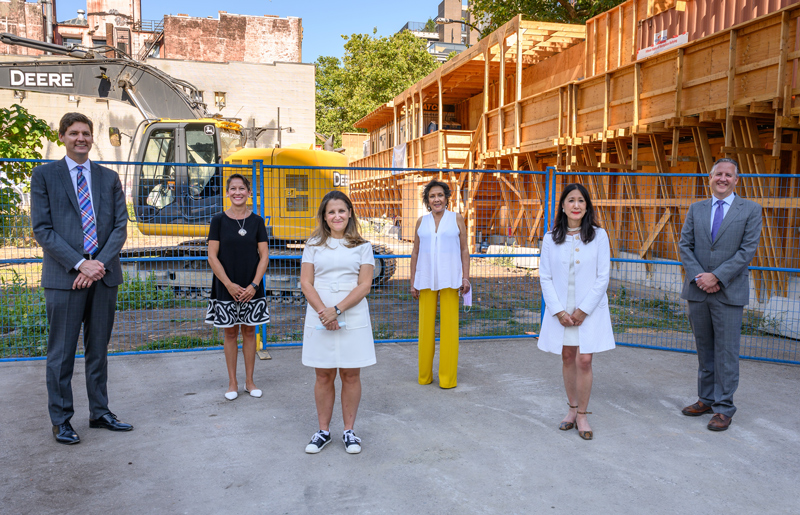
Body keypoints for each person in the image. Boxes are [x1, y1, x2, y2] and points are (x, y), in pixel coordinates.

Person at [31, 112, 131, 444]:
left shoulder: (108, 177)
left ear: (92, 137)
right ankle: (61, 420)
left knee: (98, 350)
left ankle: (100, 412)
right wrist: (79, 263)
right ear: (62, 137)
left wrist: (97, 264)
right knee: (61, 353)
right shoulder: (45, 175)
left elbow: (120, 227)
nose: (81, 138)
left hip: (103, 277)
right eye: (74, 133)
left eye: (86, 133)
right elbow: (42, 229)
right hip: (65, 278)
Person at [678, 158, 762, 431]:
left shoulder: (750, 210)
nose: (723, 179)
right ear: (710, 178)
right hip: (698, 290)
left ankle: (724, 408)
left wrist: (717, 277)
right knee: (705, 350)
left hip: (729, 291)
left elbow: (746, 251)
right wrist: (700, 277)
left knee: (726, 352)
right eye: (718, 174)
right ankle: (706, 399)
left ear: (736, 180)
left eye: (728, 175)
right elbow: (685, 246)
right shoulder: (696, 209)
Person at [300, 191, 375, 454]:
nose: (337, 216)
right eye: (331, 212)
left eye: (341, 211)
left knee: (351, 374)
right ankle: (323, 432)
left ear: (350, 213)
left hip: (351, 314)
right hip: (319, 313)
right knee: (323, 374)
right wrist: (324, 311)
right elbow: (306, 282)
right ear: (324, 216)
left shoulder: (363, 247)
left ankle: (349, 431)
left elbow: (364, 285)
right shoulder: (313, 245)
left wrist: (337, 310)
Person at [537, 183, 615, 441]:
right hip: (561, 309)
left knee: (585, 359)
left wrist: (583, 310)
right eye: (571, 200)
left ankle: (582, 414)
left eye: (581, 200)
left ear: (587, 206)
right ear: (562, 206)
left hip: (588, 310)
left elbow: (603, 276)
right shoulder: (550, 238)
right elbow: (545, 277)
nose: (576, 205)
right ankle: (571, 410)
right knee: (568, 356)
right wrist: (559, 311)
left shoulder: (599, 236)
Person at [206, 174, 270, 401]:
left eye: (241, 188)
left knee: (250, 331)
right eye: (233, 188)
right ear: (227, 193)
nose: (237, 192)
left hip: (251, 286)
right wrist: (228, 284)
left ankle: (249, 382)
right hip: (226, 286)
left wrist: (254, 284)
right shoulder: (218, 221)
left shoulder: (257, 222)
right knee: (230, 332)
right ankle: (232, 382)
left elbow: (264, 256)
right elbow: (212, 257)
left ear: (249, 192)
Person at [409, 179, 470, 389]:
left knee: (449, 330)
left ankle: (447, 379)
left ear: (446, 198)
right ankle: (424, 376)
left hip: (450, 279)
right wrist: (412, 281)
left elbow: (464, 250)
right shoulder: (421, 222)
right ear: (427, 200)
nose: (436, 199)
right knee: (425, 329)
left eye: (440, 195)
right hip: (425, 279)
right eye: (432, 196)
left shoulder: (456, 219)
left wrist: (466, 277)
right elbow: (415, 252)